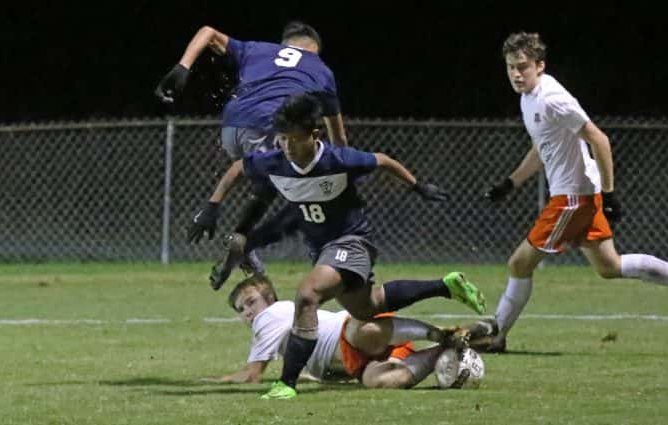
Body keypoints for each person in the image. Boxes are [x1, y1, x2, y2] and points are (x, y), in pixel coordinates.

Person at [189, 93, 488, 399]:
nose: (287, 147)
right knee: (367, 306)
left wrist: (417, 186)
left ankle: (287, 383)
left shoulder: (338, 160)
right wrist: (213, 207)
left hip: (352, 242)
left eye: (294, 139)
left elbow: (382, 160)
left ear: (315, 135)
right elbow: (238, 167)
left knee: (307, 294)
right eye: (282, 139)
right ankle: (446, 286)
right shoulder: (276, 161)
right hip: (323, 250)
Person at [483, 32, 668, 353]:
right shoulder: (529, 98)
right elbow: (542, 148)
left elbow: (599, 139)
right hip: (578, 194)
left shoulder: (553, 98)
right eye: (510, 67)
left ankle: (496, 337)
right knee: (609, 266)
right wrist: (510, 183)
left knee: (519, 264)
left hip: (572, 197)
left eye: (522, 67)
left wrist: (609, 194)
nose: (515, 73)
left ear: (540, 66)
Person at [155, 21, 348, 277]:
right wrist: (342, 169)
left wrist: (182, 67)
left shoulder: (258, 49)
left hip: (232, 127)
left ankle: (242, 240)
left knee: (267, 179)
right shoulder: (321, 70)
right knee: (302, 185)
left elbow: (208, 32)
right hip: (268, 122)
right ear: (314, 49)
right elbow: (339, 137)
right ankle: (247, 242)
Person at [202, 274, 497, 388]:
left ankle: (441, 336)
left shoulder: (269, 317)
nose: (248, 312)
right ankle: (446, 349)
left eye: (250, 302)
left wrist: (214, 381)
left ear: (270, 300)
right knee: (378, 381)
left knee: (363, 331)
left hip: (354, 331)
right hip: (359, 357)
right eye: (242, 309)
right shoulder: (280, 324)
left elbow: (252, 374)